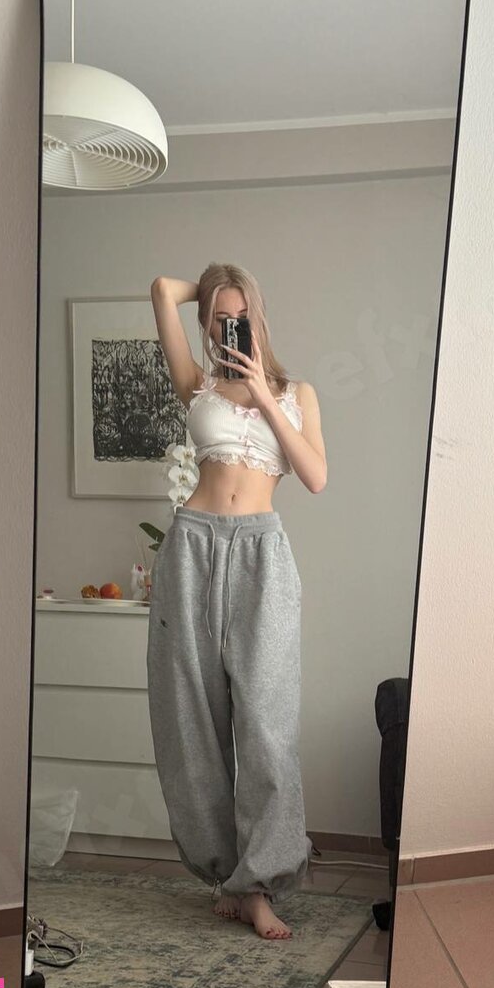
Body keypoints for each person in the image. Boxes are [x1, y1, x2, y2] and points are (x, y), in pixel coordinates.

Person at [146, 262, 327, 941]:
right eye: (220, 319)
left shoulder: (297, 393)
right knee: (190, 718)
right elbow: (162, 290)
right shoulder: (196, 384)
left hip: (262, 553)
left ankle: (262, 883)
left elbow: (315, 477)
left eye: (241, 317)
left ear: (259, 315)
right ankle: (228, 875)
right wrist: (214, 285)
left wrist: (261, 392)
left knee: (267, 723)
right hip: (191, 546)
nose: (231, 327)